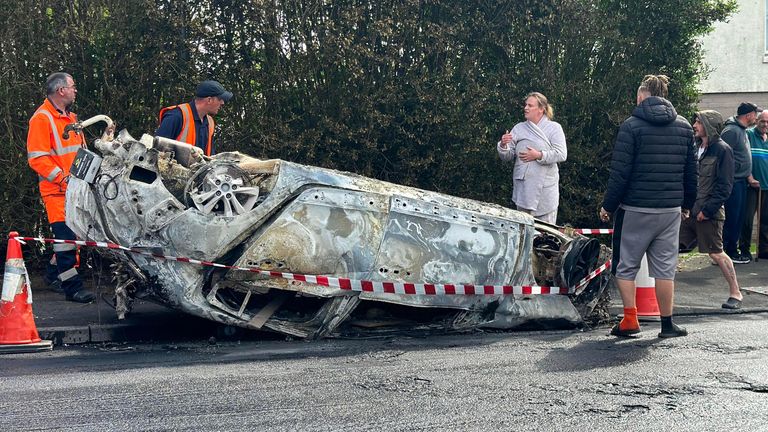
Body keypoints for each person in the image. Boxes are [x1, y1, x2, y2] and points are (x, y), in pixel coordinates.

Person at [600, 74, 696, 338]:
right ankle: (667, 325)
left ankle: (630, 321)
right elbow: (691, 172)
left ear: (642, 96)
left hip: (636, 207)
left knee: (626, 265)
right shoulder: (685, 126)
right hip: (670, 209)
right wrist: (687, 204)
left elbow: (620, 172)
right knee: (665, 268)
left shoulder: (631, 126)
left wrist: (609, 206)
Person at [26, 72, 96, 303]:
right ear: (61, 91)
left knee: (73, 238)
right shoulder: (42, 119)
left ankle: (53, 275)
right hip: (57, 192)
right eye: (72, 86)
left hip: (75, 191)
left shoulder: (71, 118)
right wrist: (63, 179)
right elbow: (37, 158)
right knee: (66, 241)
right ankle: (72, 288)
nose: (75, 90)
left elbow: (79, 155)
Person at [679, 110, 743, 309]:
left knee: (716, 253)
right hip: (690, 211)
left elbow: (725, 186)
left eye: (698, 122)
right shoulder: (695, 147)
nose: (694, 125)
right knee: (668, 247)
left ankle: (736, 293)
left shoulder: (723, 150)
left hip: (709, 214)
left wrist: (707, 211)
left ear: (709, 126)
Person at [496, 92, 567, 224]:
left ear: (541, 109)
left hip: (545, 190)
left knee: (544, 238)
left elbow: (561, 153)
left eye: (530, 105)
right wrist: (503, 144)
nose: (526, 108)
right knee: (522, 233)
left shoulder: (554, 128)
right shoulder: (519, 128)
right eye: (525, 105)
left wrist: (539, 155)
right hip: (523, 189)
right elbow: (507, 156)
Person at [721, 102, 759, 264]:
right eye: (755, 114)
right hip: (733, 182)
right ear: (749, 115)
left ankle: (731, 249)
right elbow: (722, 156)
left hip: (742, 181)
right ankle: (727, 251)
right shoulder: (731, 131)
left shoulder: (742, 131)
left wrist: (749, 177)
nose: (756, 117)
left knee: (738, 218)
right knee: (732, 218)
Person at [156, 80, 233, 156]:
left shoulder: (210, 123)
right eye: (220, 99)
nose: (222, 102)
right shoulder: (176, 116)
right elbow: (156, 151)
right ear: (209, 100)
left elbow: (210, 155)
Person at [739, 110, 768, 260]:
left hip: (766, 187)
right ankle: (744, 250)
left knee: (765, 220)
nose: (765, 124)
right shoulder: (748, 135)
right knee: (747, 220)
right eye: (763, 121)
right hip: (751, 186)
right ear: (757, 121)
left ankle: (763, 250)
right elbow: (743, 158)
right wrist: (750, 177)